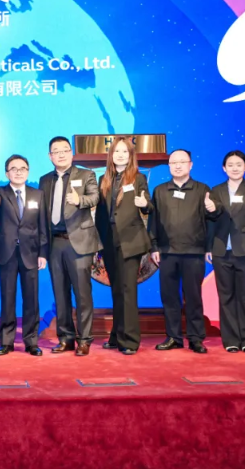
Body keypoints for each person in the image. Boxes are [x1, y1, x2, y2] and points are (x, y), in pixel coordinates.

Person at [148, 149, 219, 354]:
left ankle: (196, 338)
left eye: (182, 162)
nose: (177, 166)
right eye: (173, 163)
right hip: (167, 252)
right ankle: (173, 337)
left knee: (193, 297)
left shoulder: (202, 189)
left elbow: (211, 221)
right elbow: (153, 222)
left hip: (193, 252)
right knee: (169, 297)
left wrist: (208, 247)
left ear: (190, 165)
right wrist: (154, 246)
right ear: (169, 166)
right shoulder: (160, 191)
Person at [38, 136, 101, 356]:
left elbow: (95, 197)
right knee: (60, 294)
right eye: (56, 151)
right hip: (55, 243)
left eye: (65, 150)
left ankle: (84, 339)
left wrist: (79, 200)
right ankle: (66, 338)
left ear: (71, 153)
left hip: (79, 243)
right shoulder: (45, 180)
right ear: (50, 156)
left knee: (82, 294)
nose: (61, 154)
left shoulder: (86, 175)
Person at [206, 150, 245, 353]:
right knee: (226, 297)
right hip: (221, 250)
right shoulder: (216, 191)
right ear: (224, 168)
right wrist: (208, 247)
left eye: (239, 164)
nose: (235, 168)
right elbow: (211, 221)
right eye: (230, 165)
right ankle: (231, 340)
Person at [94, 137, 153, 355]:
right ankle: (116, 335)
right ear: (111, 155)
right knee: (117, 290)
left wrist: (144, 204)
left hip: (131, 241)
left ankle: (130, 341)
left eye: (124, 152)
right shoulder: (103, 179)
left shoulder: (138, 178)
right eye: (116, 151)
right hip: (108, 241)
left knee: (128, 291)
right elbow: (100, 213)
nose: (120, 155)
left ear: (130, 156)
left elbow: (149, 205)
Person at [0, 155, 48, 356]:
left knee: (32, 300)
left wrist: (43, 253)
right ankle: (6, 341)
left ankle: (31, 341)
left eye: (23, 168)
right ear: (7, 173)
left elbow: (43, 226)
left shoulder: (38, 195)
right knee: (7, 298)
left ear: (28, 172)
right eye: (14, 168)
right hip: (6, 253)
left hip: (31, 253)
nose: (18, 172)